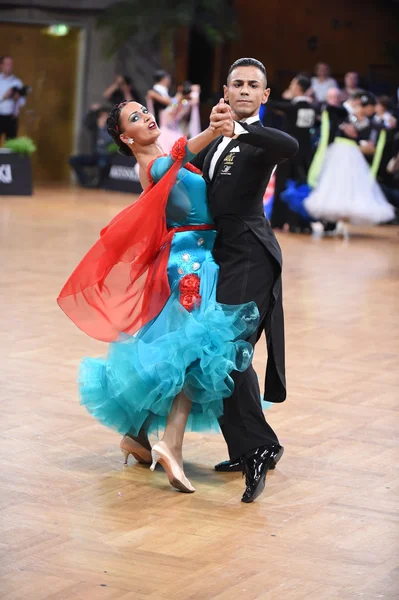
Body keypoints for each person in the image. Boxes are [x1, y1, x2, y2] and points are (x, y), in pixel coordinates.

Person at [58, 100, 260, 495]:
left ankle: (136, 437)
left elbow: (183, 158)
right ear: (125, 137)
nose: (147, 117)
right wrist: (217, 129)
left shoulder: (166, 161)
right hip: (191, 264)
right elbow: (185, 151)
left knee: (179, 349)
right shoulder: (154, 166)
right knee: (193, 351)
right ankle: (171, 443)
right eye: (136, 118)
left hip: (193, 258)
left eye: (145, 111)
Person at [190, 58, 299, 503]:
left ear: (265, 95)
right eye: (239, 84)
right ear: (226, 89)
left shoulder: (261, 140)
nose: (246, 90)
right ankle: (257, 443)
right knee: (226, 355)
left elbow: (289, 143)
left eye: (255, 85)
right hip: (220, 257)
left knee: (228, 352)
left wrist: (242, 128)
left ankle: (255, 449)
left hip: (252, 256)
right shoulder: (217, 138)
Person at [267, 74, 317, 231]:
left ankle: (278, 222)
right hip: (305, 155)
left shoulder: (293, 107)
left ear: (298, 88)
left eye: (292, 84)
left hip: (288, 153)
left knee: (282, 186)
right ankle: (299, 223)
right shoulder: (311, 108)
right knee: (301, 187)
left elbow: (271, 104)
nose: (290, 87)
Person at [69, 105, 113, 187]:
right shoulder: (95, 126)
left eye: (105, 116)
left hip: (106, 155)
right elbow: (85, 122)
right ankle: (86, 181)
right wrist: (91, 111)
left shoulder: (111, 128)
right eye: (101, 116)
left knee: (103, 164)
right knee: (73, 160)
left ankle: (99, 184)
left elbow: (108, 141)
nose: (103, 118)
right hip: (95, 155)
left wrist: (102, 128)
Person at [0, 55, 26, 140]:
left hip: (12, 118)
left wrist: (17, 98)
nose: (9, 66)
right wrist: (4, 96)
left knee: (11, 146)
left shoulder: (17, 82)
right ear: (1, 65)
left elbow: (23, 103)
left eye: (11, 64)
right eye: (7, 64)